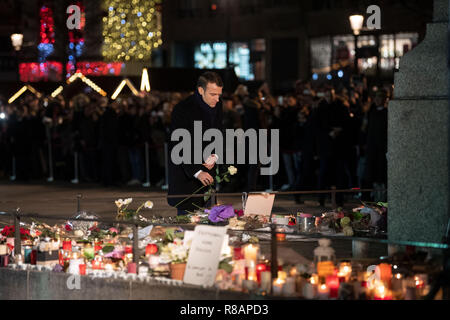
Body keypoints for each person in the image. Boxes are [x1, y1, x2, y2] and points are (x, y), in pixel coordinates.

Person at [167, 72, 224, 215]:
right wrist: (197, 172)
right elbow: (179, 145)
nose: (217, 99)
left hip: (208, 178)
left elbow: (219, 134)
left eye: (219, 94)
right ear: (200, 90)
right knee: (187, 227)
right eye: (213, 94)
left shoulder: (217, 106)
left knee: (209, 223)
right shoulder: (183, 109)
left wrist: (215, 156)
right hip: (187, 178)